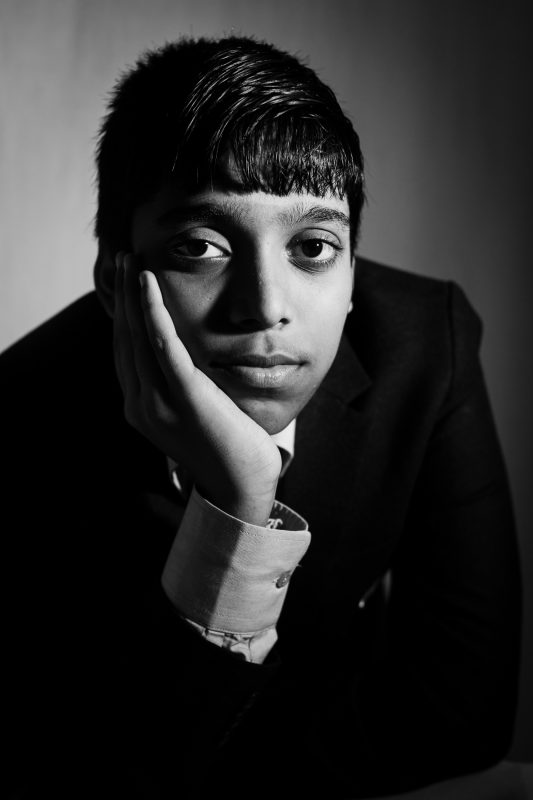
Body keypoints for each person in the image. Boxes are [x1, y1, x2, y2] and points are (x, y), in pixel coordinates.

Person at [3, 35, 521, 799]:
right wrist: (238, 508)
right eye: (201, 246)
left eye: (312, 247)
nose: (266, 308)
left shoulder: (424, 345)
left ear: (350, 276)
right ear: (116, 278)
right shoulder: (21, 416)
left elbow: (464, 713)